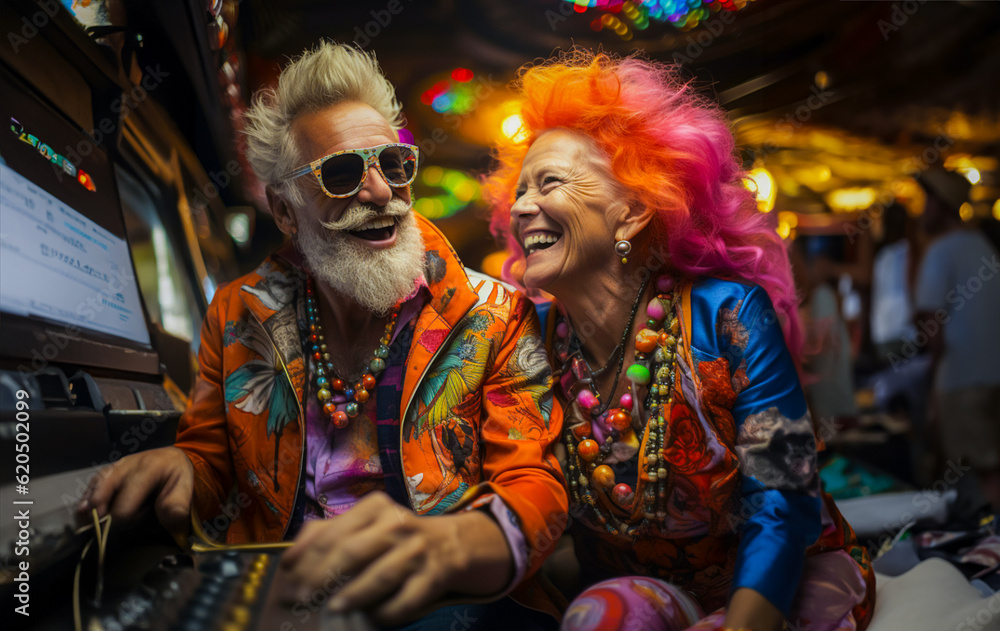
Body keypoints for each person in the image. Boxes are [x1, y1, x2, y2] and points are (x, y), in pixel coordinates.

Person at [82, 42, 567, 629]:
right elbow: (211, 459)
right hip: (281, 591)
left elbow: (534, 480)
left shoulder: (495, 313)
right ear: (286, 212)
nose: (382, 192)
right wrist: (183, 467)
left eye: (393, 164)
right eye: (340, 174)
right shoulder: (237, 314)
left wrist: (453, 547)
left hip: (445, 599)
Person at [484, 51, 875, 631]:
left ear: (633, 211)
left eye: (550, 183)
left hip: (786, 580)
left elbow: (783, 497)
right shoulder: (531, 338)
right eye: (518, 191)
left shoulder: (727, 314)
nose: (520, 207)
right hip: (646, 592)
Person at [913, 166, 1000, 511]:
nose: (922, 209)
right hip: (991, 376)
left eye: (926, 200)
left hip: (960, 382)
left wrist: (933, 387)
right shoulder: (984, 246)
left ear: (940, 204)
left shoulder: (941, 250)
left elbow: (931, 326)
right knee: (989, 467)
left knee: (976, 478)